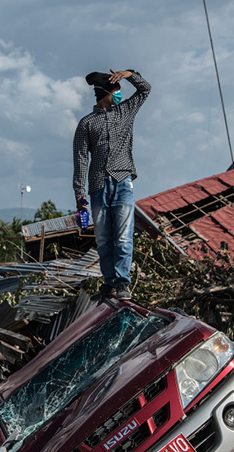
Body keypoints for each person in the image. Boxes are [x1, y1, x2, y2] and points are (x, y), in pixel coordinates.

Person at [73, 68, 151, 300]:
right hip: (97, 186)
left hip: (123, 182)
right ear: (106, 93)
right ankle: (110, 283)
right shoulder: (86, 124)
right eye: (116, 91)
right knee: (104, 240)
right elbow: (80, 159)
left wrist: (130, 74)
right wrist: (79, 193)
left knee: (124, 237)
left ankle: (122, 282)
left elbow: (145, 89)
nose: (120, 95)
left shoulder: (125, 111)